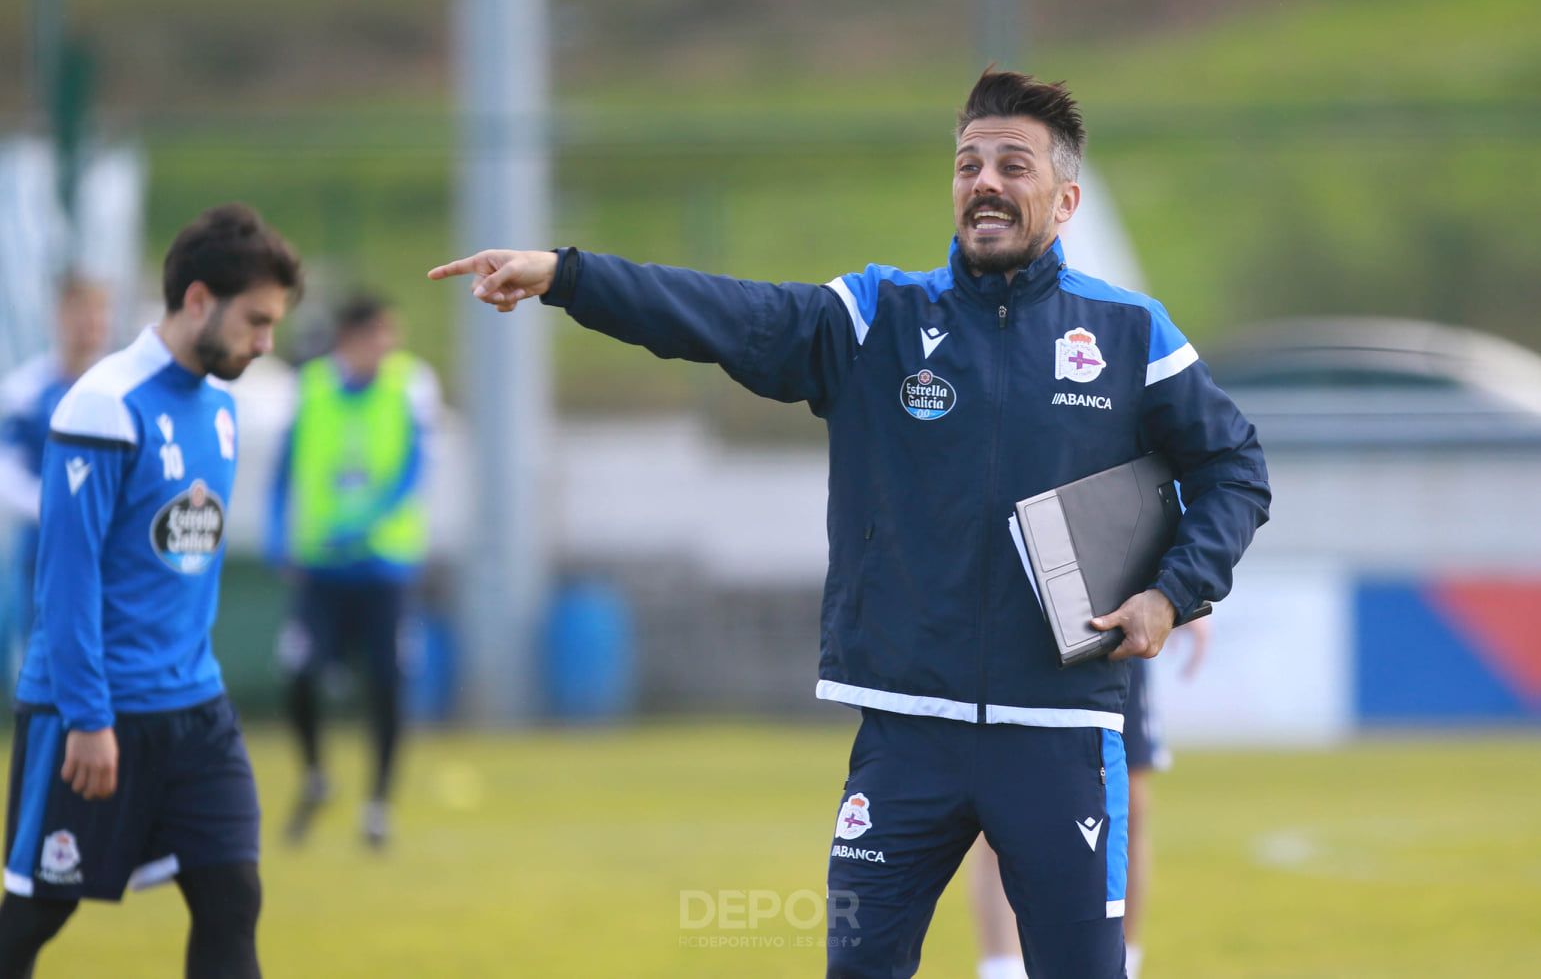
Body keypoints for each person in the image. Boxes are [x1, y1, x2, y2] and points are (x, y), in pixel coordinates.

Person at [429, 68, 1270, 978]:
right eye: (967, 164)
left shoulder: (1128, 333)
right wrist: (569, 275)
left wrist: (1171, 594)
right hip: (906, 740)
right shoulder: (880, 317)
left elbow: (1233, 468)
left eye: (1011, 165)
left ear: (1063, 199)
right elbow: (729, 316)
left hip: (1061, 737)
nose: (983, 182)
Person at [0, 204, 301, 978]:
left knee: (233, 897)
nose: (266, 343)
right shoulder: (103, 405)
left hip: (195, 711)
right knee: (34, 918)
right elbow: (65, 580)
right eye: (256, 321)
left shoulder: (224, 412)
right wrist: (89, 715)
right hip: (95, 713)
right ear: (198, 299)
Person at [266, 294, 439, 848]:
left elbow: (414, 469)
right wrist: (277, 535)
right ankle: (317, 775)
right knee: (299, 672)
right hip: (320, 569)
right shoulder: (311, 387)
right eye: (375, 336)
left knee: (388, 681)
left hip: (385, 568)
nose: (385, 347)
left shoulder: (409, 385)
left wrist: (365, 523)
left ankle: (378, 805)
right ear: (348, 338)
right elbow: (284, 467)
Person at [968, 619, 1210, 979]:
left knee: (1129, 806)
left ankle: (1124, 964)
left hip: (1108, 626)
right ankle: (1003, 969)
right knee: (999, 796)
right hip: (1012, 625)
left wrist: (1179, 594)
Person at [0, 277, 111, 689]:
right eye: (82, 314)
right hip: (44, 551)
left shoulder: (116, 390)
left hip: (107, 552)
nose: (91, 325)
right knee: (45, 667)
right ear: (60, 317)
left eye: (99, 314)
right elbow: (7, 473)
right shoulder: (27, 390)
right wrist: (58, 508)